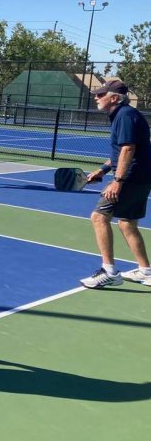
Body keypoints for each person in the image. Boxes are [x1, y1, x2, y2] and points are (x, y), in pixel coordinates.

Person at [79, 80, 151, 289]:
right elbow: (120, 153)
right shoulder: (124, 114)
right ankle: (146, 270)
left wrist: (117, 181)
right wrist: (102, 170)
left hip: (131, 177)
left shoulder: (125, 115)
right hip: (142, 176)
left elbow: (128, 149)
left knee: (99, 217)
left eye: (100, 94)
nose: (95, 97)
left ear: (114, 98)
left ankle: (109, 271)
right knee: (127, 222)